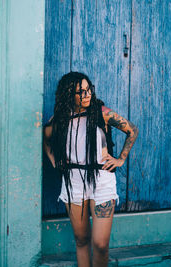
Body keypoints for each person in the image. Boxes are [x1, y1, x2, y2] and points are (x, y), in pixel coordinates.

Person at [43, 71, 139, 267]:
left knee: (101, 244)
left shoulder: (101, 112)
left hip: (101, 180)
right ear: (69, 95)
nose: (87, 95)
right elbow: (45, 137)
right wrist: (55, 160)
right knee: (81, 240)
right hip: (74, 182)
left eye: (89, 90)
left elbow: (132, 130)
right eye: (81, 92)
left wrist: (120, 159)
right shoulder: (60, 119)